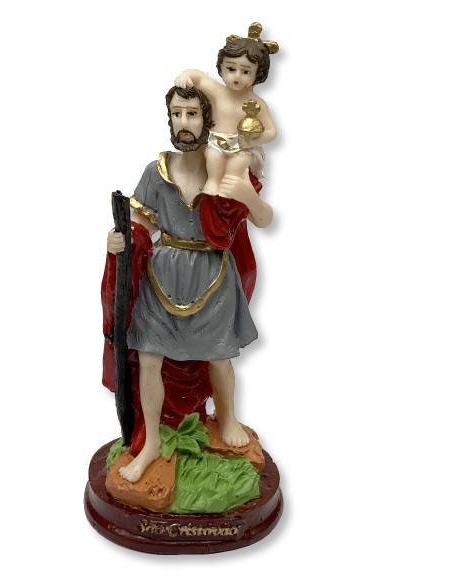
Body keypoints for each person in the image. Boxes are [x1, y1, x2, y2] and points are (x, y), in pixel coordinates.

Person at [105, 86, 273, 483]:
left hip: (212, 274)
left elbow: (263, 219)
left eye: (192, 114)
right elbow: (140, 225)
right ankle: (150, 442)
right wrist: (120, 240)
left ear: (208, 120)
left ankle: (227, 418)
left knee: (218, 356)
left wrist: (247, 194)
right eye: (177, 114)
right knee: (149, 358)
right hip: (162, 276)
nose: (184, 123)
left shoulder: (228, 171)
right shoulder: (157, 171)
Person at [175, 22, 279, 196]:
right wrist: (185, 75)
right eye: (231, 68)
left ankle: (230, 193)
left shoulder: (257, 103)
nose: (237, 76)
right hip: (217, 143)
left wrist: (250, 142)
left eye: (245, 72)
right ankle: (213, 182)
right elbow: (198, 77)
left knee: (237, 164)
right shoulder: (217, 92)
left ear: (258, 74)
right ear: (221, 68)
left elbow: (272, 132)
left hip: (242, 147)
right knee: (213, 157)